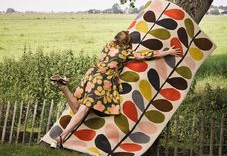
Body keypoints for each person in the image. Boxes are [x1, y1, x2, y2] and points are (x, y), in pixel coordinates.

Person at [49, 30, 181, 148]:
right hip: (101, 81)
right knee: (82, 110)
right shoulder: (125, 53)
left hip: (91, 75)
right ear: (127, 43)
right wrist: (168, 52)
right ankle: (61, 137)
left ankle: (64, 87)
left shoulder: (108, 46)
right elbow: (146, 55)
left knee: (78, 109)